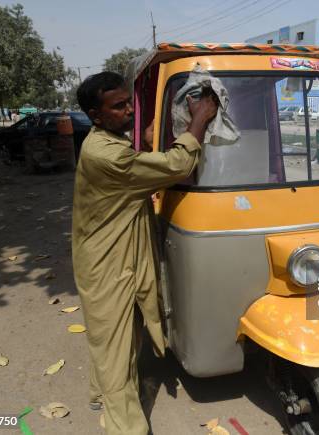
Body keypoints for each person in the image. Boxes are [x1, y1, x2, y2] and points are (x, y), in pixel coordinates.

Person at [72, 71, 217, 435]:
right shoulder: (104, 156)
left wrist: (148, 139)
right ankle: (127, 427)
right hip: (108, 264)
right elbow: (177, 166)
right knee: (115, 354)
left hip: (121, 254)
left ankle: (99, 393)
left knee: (119, 337)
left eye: (128, 103)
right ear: (95, 115)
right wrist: (199, 119)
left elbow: (134, 154)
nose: (128, 112)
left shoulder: (107, 141)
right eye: (118, 107)